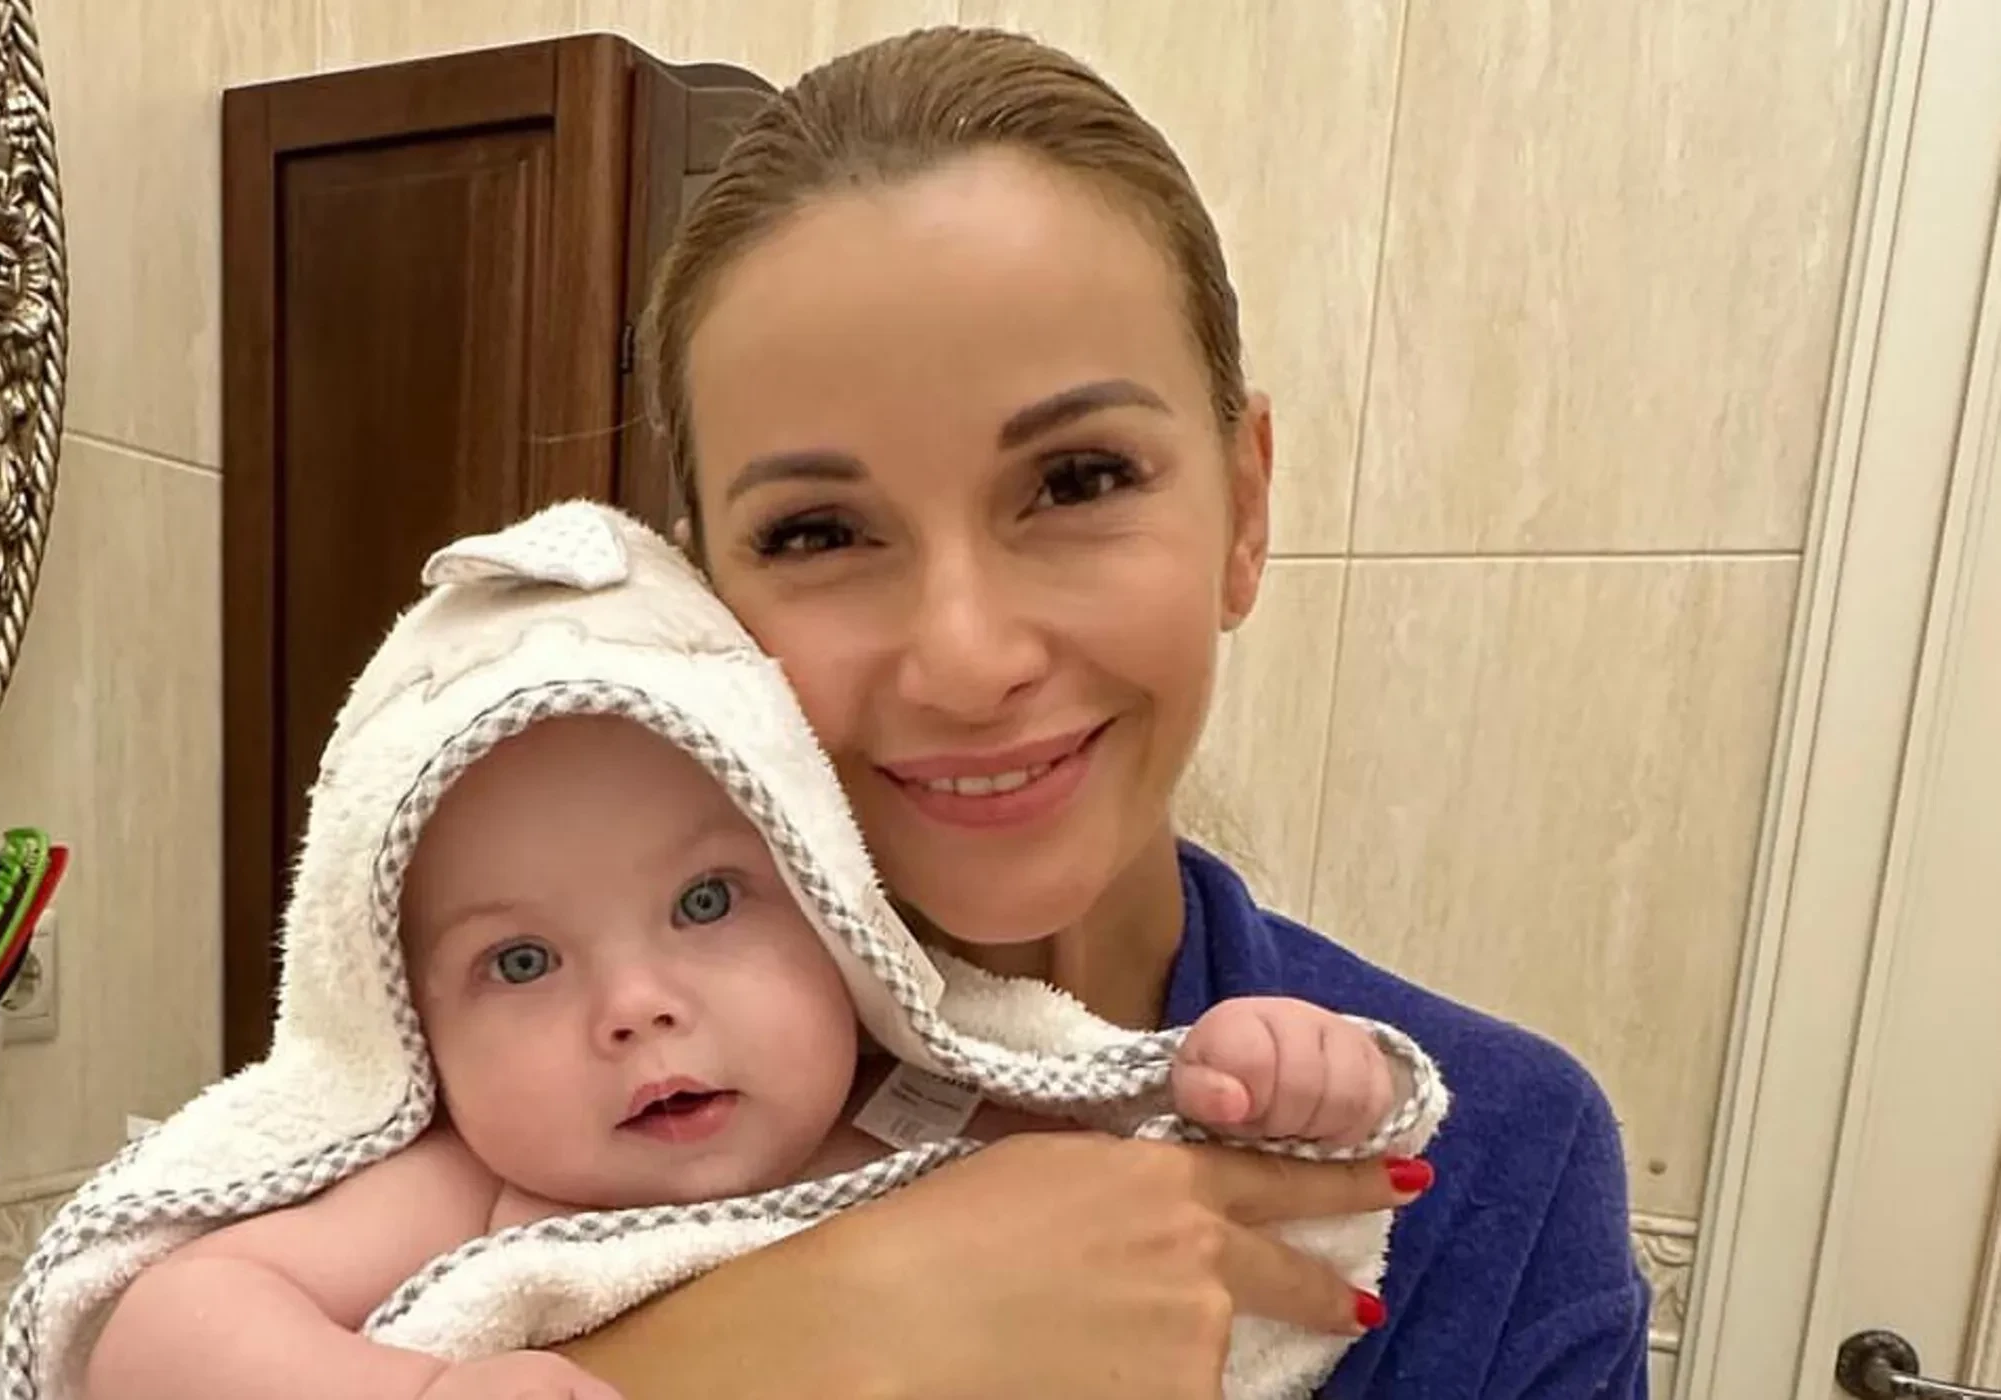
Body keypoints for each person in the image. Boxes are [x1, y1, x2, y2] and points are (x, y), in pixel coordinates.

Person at [554, 22, 1650, 1400]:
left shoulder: (1500, 1162)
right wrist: (766, 1343)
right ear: (704, 602)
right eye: (819, 532)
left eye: (1077, 481)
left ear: (1244, 509)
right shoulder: (561, 1078)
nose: (967, 660)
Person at [83, 699, 1418, 1400]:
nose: (636, 1007)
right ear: (413, 1030)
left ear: (843, 925)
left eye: (709, 901)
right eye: (522, 962)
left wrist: (1265, 1074)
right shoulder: (476, 1187)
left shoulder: (935, 1111)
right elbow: (161, 1331)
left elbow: (1183, 1193)